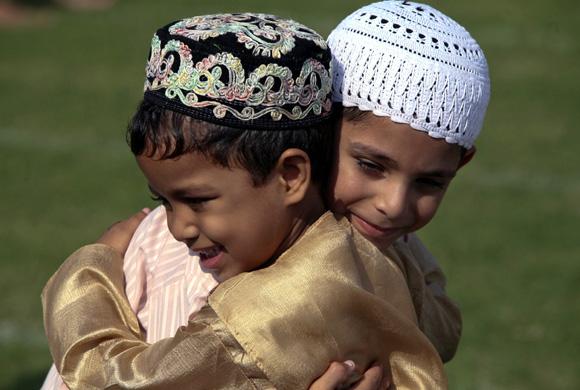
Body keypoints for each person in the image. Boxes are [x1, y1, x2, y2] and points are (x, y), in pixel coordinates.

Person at [42, 11, 447, 390]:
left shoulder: (257, 313)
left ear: (292, 176)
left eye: (198, 200)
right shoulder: (387, 251)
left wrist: (91, 266)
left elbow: (110, 378)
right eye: (163, 201)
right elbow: (444, 326)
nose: (177, 228)